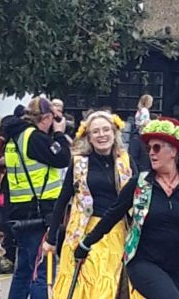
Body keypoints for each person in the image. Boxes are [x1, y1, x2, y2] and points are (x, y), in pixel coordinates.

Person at [75, 117, 179, 298]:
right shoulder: (140, 184)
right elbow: (112, 215)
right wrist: (86, 243)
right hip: (144, 262)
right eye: (148, 149)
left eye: (157, 148)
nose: (151, 153)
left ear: (173, 151)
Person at [43, 110, 135, 298]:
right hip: (82, 231)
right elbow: (62, 200)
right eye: (96, 132)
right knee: (82, 283)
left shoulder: (125, 161)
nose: (102, 135)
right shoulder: (79, 163)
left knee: (106, 284)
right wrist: (51, 238)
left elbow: (141, 195)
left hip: (115, 232)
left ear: (114, 132)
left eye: (106, 130)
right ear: (89, 137)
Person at [3, 97, 70, 299]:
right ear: (47, 117)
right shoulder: (35, 138)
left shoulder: (15, 138)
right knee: (43, 271)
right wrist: (59, 133)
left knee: (23, 270)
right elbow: (63, 158)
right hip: (40, 212)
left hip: (20, 211)